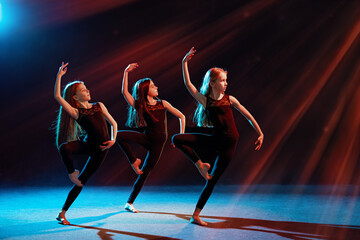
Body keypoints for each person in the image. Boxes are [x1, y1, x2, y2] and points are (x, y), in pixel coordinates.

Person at [172, 47, 264, 226]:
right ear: (212, 83)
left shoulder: (230, 99)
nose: (226, 83)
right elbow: (188, 85)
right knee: (177, 138)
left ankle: (196, 214)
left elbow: (248, 115)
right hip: (215, 140)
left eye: (226, 80)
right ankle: (200, 166)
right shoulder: (207, 101)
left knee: (212, 181)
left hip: (229, 144)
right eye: (222, 80)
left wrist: (260, 133)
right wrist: (184, 63)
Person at [54, 62, 118, 225]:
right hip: (88, 145)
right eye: (83, 90)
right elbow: (58, 97)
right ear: (75, 97)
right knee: (64, 147)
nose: (88, 90)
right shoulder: (76, 112)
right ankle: (71, 173)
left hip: (102, 150)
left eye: (86, 88)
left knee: (82, 181)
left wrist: (113, 140)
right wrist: (59, 76)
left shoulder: (99, 106)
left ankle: (62, 213)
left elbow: (113, 123)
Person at [117, 63, 186, 213]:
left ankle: (129, 202)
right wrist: (126, 72)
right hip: (147, 138)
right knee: (118, 135)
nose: (156, 87)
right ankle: (133, 161)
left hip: (158, 145)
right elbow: (124, 92)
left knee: (145, 173)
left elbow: (182, 116)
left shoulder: (163, 103)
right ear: (145, 90)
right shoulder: (140, 105)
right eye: (153, 86)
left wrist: (180, 136)